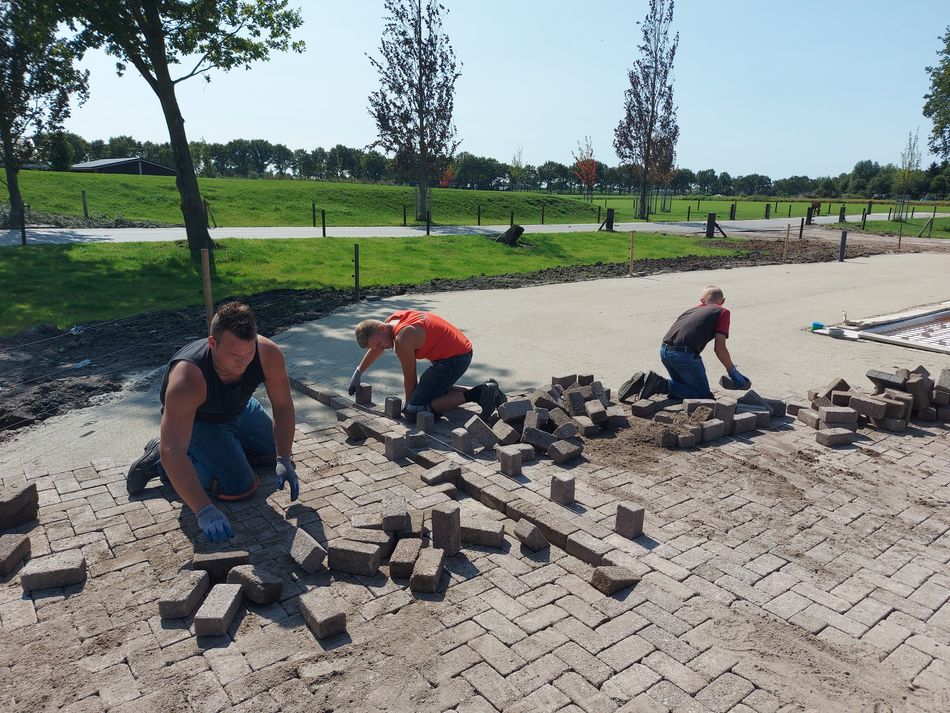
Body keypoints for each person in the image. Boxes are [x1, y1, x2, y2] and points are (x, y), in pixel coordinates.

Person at [126, 301, 298, 543]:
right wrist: (203, 510)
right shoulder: (188, 379)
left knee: (272, 453)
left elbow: (282, 406)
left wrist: (284, 456)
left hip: (239, 409)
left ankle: (225, 449)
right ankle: (160, 464)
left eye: (249, 352)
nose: (243, 362)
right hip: (198, 421)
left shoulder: (267, 353)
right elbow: (173, 450)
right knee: (239, 487)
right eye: (235, 355)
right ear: (212, 343)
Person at [350, 309, 506, 420]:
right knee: (428, 393)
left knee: (417, 409)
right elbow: (376, 350)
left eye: (378, 343)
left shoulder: (402, 339)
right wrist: (358, 372)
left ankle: (478, 393)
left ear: (381, 328)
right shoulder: (393, 320)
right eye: (375, 346)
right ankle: (489, 390)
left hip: (454, 359)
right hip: (457, 352)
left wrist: (410, 406)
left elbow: (409, 377)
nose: (380, 348)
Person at [623, 285, 750, 401]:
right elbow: (719, 348)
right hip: (683, 356)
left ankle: (644, 382)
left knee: (682, 389)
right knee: (704, 398)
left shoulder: (691, 310)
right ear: (723, 301)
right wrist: (732, 371)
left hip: (664, 351)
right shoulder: (723, 312)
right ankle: (659, 383)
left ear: (702, 301)